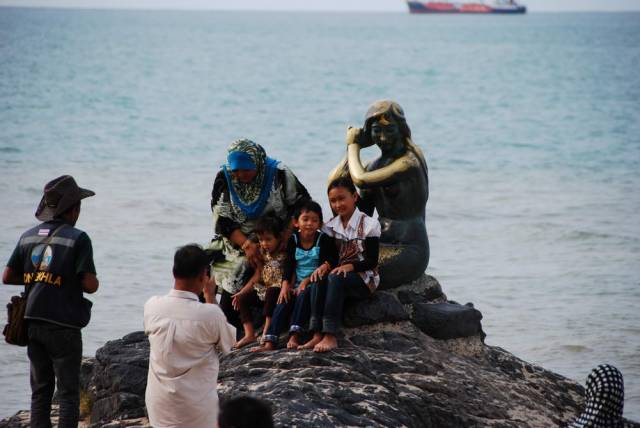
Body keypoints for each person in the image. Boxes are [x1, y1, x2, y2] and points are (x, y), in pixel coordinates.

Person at [2, 175, 99, 428]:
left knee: (40, 393)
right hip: (63, 325)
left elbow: (7, 276)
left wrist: (40, 276)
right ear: (74, 208)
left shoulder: (27, 237)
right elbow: (90, 285)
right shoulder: (78, 238)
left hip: (32, 321)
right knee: (68, 395)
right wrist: (63, 276)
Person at [208, 139, 310, 331]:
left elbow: (302, 204)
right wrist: (247, 245)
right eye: (236, 170)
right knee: (201, 266)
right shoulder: (224, 177)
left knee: (237, 273)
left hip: (275, 237)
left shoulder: (279, 174)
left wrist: (287, 234)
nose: (240, 175)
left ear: (258, 162)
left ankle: (237, 326)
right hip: (236, 239)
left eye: (246, 169)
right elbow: (221, 220)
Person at [328, 100, 429, 289]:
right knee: (327, 258)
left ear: (401, 129)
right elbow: (359, 213)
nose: (382, 137)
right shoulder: (373, 167)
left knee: (343, 269)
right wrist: (350, 151)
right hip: (379, 243)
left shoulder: (409, 163)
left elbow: (361, 180)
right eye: (376, 131)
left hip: (408, 249)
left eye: (390, 130)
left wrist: (353, 147)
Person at [144, 244, 236, 428]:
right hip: (197, 408)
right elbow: (229, 344)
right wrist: (210, 296)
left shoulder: (152, 306)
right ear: (204, 276)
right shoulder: (210, 315)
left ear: (173, 272)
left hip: (159, 404)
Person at [300, 177, 380, 353]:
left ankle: (330, 335)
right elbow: (329, 256)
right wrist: (324, 265)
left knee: (335, 278)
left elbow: (372, 261)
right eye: (333, 201)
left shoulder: (369, 225)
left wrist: (350, 266)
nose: (338, 204)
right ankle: (316, 333)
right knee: (321, 277)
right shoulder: (330, 227)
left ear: (355, 197)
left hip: (364, 277)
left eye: (342, 198)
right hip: (338, 274)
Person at [252, 200, 338, 352]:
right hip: (295, 283)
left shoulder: (323, 239)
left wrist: (306, 281)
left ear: (319, 223)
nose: (309, 223)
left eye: (314, 220)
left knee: (303, 295)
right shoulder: (293, 240)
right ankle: (270, 341)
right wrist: (285, 285)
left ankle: (294, 336)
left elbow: (328, 262)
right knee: (282, 300)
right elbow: (289, 265)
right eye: (305, 219)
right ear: (296, 222)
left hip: (314, 284)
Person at [233, 216, 287, 349]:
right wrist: (242, 292)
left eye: (268, 240)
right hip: (265, 289)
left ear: (279, 237)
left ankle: (266, 332)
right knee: (242, 298)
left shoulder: (285, 252)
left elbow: (292, 272)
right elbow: (258, 274)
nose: (264, 244)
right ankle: (249, 334)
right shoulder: (262, 253)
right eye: (261, 240)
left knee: (271, 291)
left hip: (279, 291)